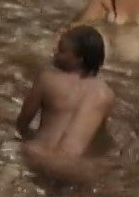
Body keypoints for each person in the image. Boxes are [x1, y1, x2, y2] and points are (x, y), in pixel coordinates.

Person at [15, 25, 116, 185]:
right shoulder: (106, 94)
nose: (55, 54)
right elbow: (99, 136)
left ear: (78, 59)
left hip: (39, 156)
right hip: (75, 168)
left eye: (61, 51)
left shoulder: (47, 79)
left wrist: (28, 138)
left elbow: (22, 123)